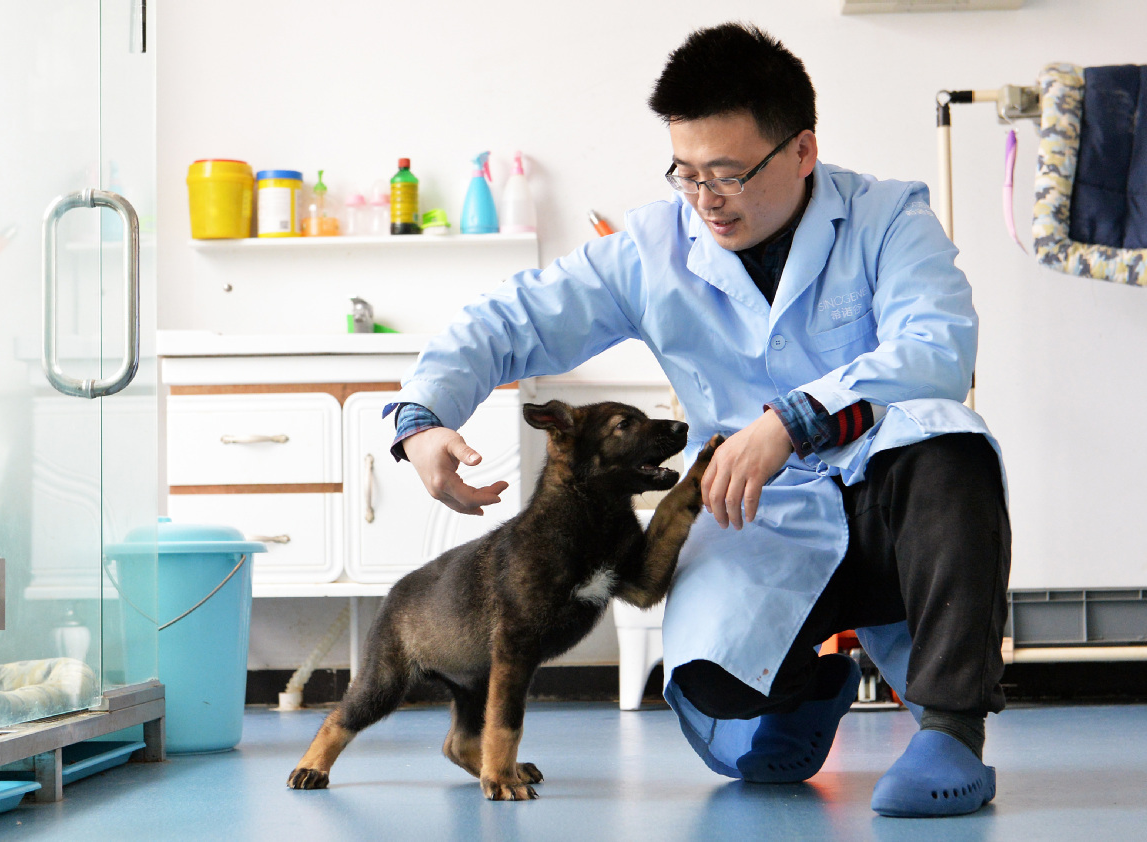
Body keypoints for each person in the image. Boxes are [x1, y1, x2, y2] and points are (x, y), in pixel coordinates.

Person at [384, 22, 1011, 818]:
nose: (705, 198)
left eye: (727, 173)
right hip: (756, 513)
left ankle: (952, 731)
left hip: (889, 505)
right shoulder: (652, 247)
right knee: (720, 715)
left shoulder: (888, 217)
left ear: (801, 151)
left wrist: (792, 418)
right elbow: (508, 321)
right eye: (685, 173)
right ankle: (806, 691)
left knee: (951, 447)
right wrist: (421, 415)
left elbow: (938, 349)